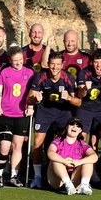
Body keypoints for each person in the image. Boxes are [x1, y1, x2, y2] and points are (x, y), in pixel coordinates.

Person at [29, 52, 81, 188]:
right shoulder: (40, 76)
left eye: (58, 64)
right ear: (48, 64)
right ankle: (37, 176)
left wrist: (69, 98)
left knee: (64, 143)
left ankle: (63, 174)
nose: (55, 67)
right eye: (52, 64)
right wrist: (35, 98)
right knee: (37, 143)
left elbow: (78, 102)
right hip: (44, 112)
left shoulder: (68, 77)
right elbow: (29, 99)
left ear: (62, 65)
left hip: (63, 113)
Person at [0, 47, 34, 187]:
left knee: (18, 146)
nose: (18, 63)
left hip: (22, 114)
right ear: (10, 60)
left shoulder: (29, 72)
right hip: (6, 113)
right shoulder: (4, 71)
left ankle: (13, 176)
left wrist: (31, 106)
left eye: (20, 60)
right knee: (5, 146)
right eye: (15, 60)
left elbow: (33, 91)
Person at [46, 118, 99, 195]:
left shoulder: (82, 144)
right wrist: (64, 161)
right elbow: (50, 153)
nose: (74, 127)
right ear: (66, 127)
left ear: (80, 130)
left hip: (74, 178)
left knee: (88, 161)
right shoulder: (58, 141)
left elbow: (94, 156)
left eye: (78, 126)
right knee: (55, 159)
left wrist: (79, 162)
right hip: (58, 181)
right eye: (72, 124)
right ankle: (67, 184)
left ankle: (84, 185)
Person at [77, 51, 101, 145]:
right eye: (96, 62)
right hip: (85, 108)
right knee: (81, 136)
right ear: (91, 62)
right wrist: (85, 89)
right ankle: (79, 153)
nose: (98, 65)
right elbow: (80, 95)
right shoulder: (84, 73)